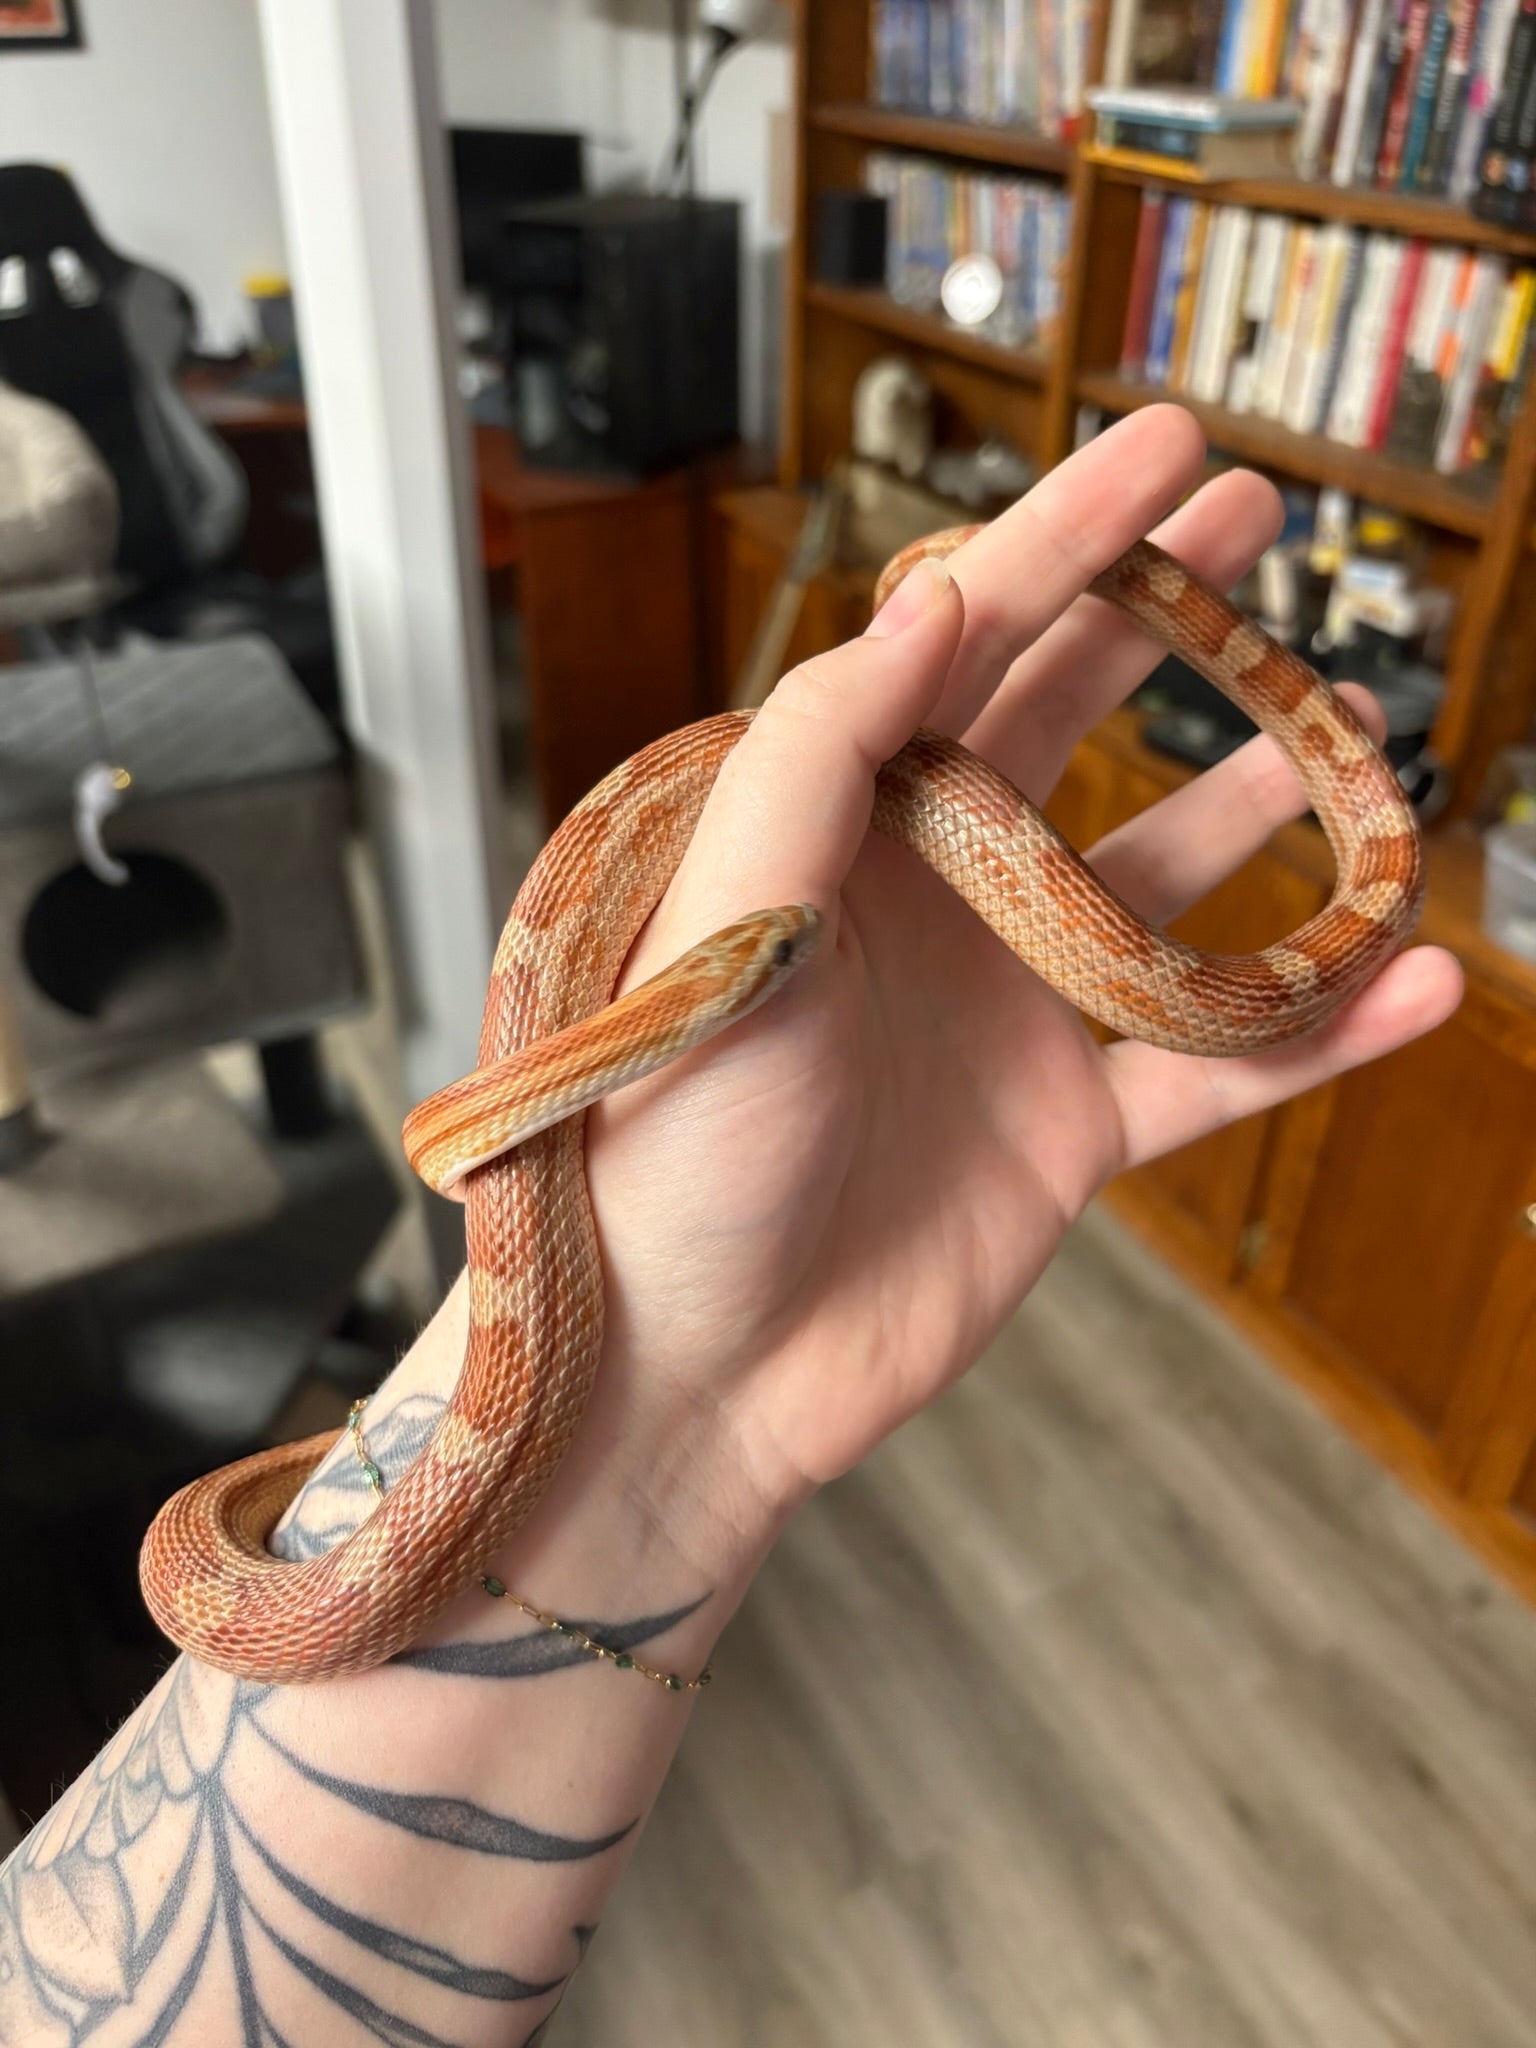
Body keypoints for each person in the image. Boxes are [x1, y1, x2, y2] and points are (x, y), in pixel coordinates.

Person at [0, 409, 1462, 2046]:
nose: (789, 958)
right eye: (767, 974)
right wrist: (659, 1414)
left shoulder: (567, 1064)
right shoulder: (597, 1037)